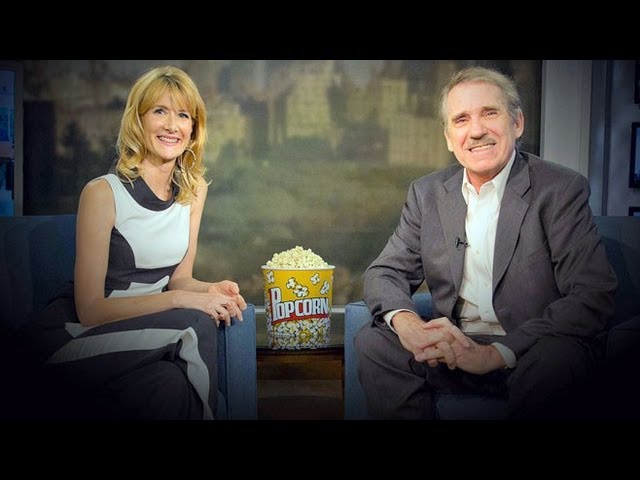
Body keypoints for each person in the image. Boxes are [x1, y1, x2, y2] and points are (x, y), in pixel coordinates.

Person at [354, 66, 618, 420]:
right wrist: (409, 324)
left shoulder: (560, 190)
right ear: (449, 138)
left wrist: (496, 354)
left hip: (531, 351)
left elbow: (593, 295)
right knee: (375, 343)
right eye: (461, 119)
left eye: (489, 113)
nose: (476, 130)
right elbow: (384, 273)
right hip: (455, 351)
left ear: (517, 123)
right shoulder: (427, 194)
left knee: (559, 358)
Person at [20, 65, 247, 420]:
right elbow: (90, 310)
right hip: (74, 338)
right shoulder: (102, 193)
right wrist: (181, 300)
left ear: (193, 129)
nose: (172, 125)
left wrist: (208, 289)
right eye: (160, 111)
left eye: (183, 115)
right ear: (138, 121)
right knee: (195, 324)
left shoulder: (194, 191)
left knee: (169, 385)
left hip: (140, 337)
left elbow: (179, 280)